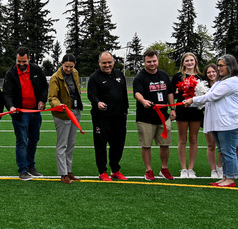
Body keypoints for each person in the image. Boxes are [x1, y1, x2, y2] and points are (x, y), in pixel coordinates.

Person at [183, 55, 238, 187]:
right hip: (220, 123)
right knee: (223, 150)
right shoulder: (220, 81)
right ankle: (225, 177)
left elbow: (212, 96)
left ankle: (231, 178)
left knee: (228, 150)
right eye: (218, 66)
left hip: (228, 123)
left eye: (221, 66)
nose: (218, 69)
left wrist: (192, 100)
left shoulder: (233, 81)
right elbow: (209, 97)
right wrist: (190, 103)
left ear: (230, 66)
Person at [2, 46, 49, 181]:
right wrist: (10, 107)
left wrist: (42, 100)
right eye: (19, 62)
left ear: (29, 59)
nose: (21, 64)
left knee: (34, 139)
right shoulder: (11, 74)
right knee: (22, 140)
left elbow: (44, 87)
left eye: (24, 62)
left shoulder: (36, 70)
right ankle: (22, 170)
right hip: (20, 113)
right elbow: (7, 93)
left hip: (34, 111)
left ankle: (30, 166)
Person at [133, 49, 176, 180]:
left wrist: (173, 108)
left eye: (154, 61)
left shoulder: (163, 75)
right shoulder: (140, 77)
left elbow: (169, 92)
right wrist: (143, 101)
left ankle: (164, 168)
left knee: (165, 144)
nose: (152, 64)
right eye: (149, 61)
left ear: (157, 60)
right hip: (145, 118)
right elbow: (137, 93)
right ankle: (149, 170)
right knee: (146, 145)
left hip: (163, 116)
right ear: (144, 62)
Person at [86, 52, 129, 181]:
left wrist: (125, 110)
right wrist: (97, 103)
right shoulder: (94, 78)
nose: (107, 65)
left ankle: (115, 169)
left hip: (119, 117)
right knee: (101, 145)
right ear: (99, 63)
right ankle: (102, 171)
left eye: (109, 62)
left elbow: (124, 94)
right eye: (104, 63)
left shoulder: (119, 75)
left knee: (118, 144)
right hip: (102, 118)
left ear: (113, 62)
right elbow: (91, 94)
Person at [48, 53, 84, 183]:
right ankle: (63, 173)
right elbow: (52, 97)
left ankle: (69, 171)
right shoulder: (55, 78)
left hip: (75, 112)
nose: (69, 69)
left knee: (71, 144)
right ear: (61, 63)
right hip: (62, 114)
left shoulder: (75, 73)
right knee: (62, 144)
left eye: (71, 66)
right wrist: (59, 105)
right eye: (66, 66)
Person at [172, 52, 204, 178]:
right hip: (182, 110)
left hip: (196, 111)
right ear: (183, 63)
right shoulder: (178, 76)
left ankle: (191, 168)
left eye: (192, 60)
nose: (189, 62)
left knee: (194, 139)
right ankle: (183, 169)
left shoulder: (201, 77)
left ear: (195, 61)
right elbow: (171, 93)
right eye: (187, 60)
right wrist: (174, 107)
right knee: (182, 139)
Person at [201, 63, 223, 178]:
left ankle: (220, 167)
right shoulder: (203, 87)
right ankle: (213, 169)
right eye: (209, 72)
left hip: (221, 117)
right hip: (209, 117)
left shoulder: (222, 85)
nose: (211, 74)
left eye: (213, 71)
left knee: (221, 145)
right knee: (211, 145)